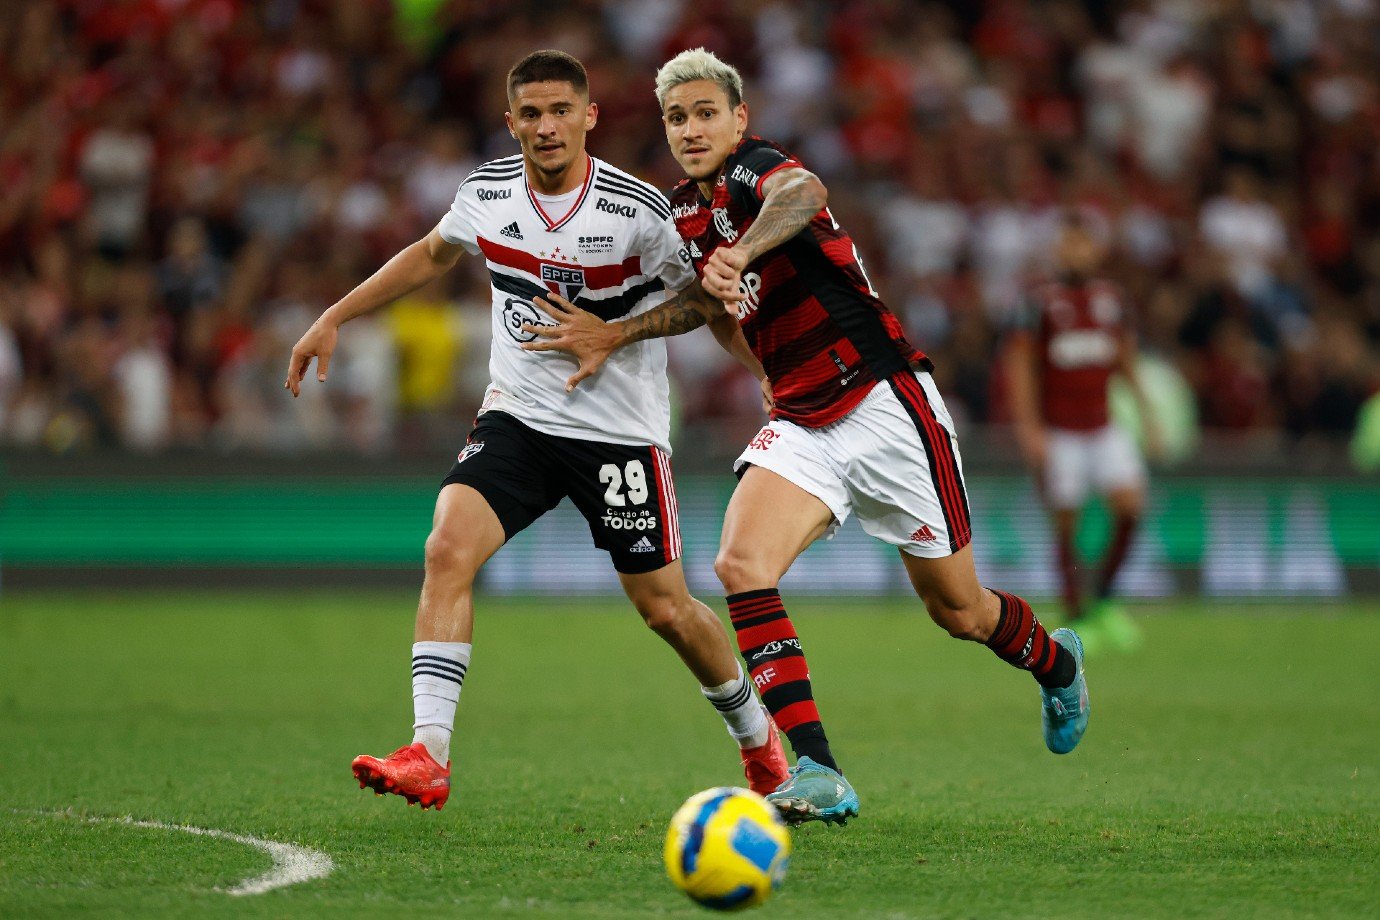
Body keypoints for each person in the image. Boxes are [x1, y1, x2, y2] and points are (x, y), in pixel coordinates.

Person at [520, 48, 1091, 827]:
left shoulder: (760, 171)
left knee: (958, 610)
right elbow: (709, 306)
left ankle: (1056, 664)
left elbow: (802, 192)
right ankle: (819, 769)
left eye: (705, 113)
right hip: (800, 417)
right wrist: (624, 335)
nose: (691, 129)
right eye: (677, 118)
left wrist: (744, 251)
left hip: (885, 400)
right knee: (738, 564)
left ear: (739, 118)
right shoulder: (684, 212)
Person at [284, 50, 787, 811]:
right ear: (510, 121)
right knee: (447, 547)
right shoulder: (485, 192)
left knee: (666, 610)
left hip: (618, 432)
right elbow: (430, 255)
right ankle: (430, 751)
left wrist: (756, 373)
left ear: (590, 117)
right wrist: (334, 315)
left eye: (561, 112)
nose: (546, 127)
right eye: (531, 113)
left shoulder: (639, 212)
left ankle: (758, 740)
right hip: (519, 417)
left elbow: (707, 307)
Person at [1005, 215, 1157, 654]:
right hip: (1060, 431)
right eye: (1068, 244)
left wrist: (1146, 410)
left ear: (1096, 250)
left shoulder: (1111, 298)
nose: (1075, 253)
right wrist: (1030, 428)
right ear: (1058, 250)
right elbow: (1021, 366)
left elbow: (1123, 355)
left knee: (1131, 505)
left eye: (1083, 244)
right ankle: (1077, 615)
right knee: (1066, 520)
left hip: (1104, 425)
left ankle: (1105, 598)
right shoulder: (1040, 302)